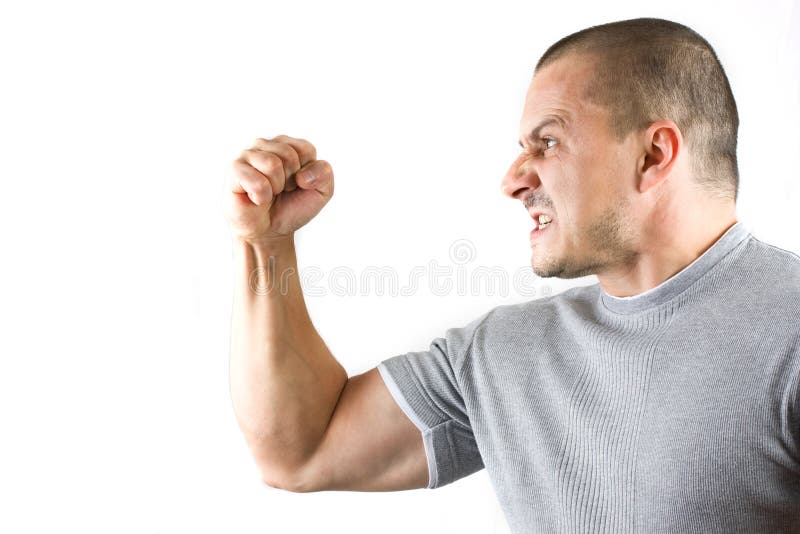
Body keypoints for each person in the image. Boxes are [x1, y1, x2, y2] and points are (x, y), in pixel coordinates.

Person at [222, 17, 800, 533]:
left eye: (547, 142)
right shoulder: (503, 356)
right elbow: (300, 449)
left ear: (653, 155)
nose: (513, 180)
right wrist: (267, 243)